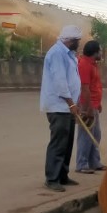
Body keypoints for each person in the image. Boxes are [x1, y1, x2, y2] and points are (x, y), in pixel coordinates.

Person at [40, 25, 82, 192]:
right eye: (77, 41)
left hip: (68, 106)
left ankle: (62, 175)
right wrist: (71, 103)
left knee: (67, 142)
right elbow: (60, 82)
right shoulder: (57, 53)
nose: (79, 44)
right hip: (59, 106)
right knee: (58, 143)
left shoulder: (69, 54)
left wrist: (74, 104)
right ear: (70, 41)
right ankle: (52, 178)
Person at [76, 40, 107, 174]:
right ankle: (81, 164)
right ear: (95, 52)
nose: (101, 53)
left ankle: (94, 162)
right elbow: (85, 88)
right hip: (87, 105)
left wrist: (98, 104)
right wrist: (87, 108)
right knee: (86, 135)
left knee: (96, 134)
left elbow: (95, 87)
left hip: (94, 104)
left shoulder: (93, 65)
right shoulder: (84, 65)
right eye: (100, 50)